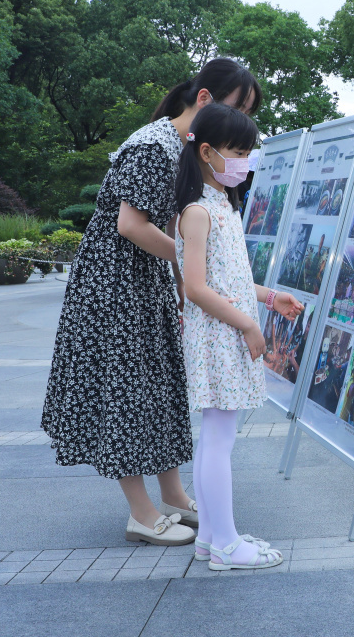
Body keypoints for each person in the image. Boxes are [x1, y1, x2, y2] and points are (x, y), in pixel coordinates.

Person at [43, 58, 261, 546]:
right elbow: (130, 225)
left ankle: (174, 496)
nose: (243, 120)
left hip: (149, 278)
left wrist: (191, 266)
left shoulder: (181, 147)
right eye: (239, 107)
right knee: (128, 391)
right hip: (115, 285)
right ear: (204, 100)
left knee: (161, 386)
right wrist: (192, 260)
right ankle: (141, 513)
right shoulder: (151, 145)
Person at [175, 103, 303, 569]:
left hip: (224, 333)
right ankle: (226, 544)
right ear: (207, 152)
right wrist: (248, 323)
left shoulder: (221, 207)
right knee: (218, 439)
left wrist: (268, 298)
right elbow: (194, 287)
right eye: (238, 152)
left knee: (216, 437)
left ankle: (212, 538)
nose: (245, 162)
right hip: (219, 337)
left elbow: (226, 277)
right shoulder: (197, 211)